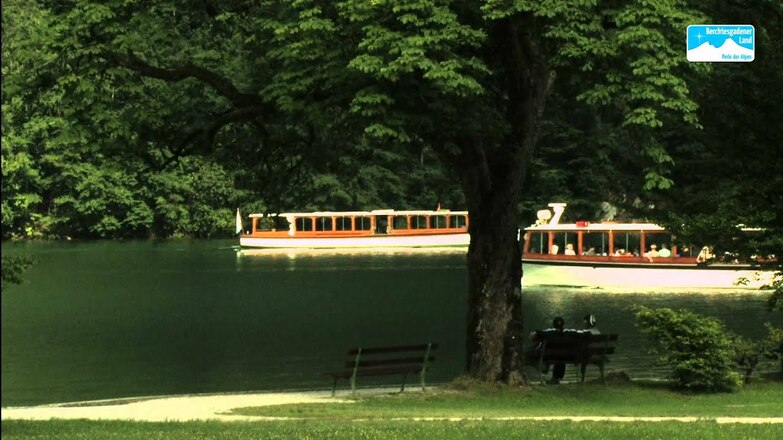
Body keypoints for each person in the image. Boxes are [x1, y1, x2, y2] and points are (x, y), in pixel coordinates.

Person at [527, 317, 567, 384]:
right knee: (561, 355)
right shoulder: (568, 334)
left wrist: (535, 332)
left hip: (551, 357)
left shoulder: (550, 333)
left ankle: (545, 371)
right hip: (566, 356)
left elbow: (536, 335)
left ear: (553, 324)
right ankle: (556, 378)